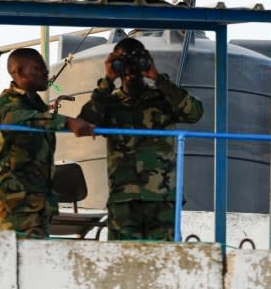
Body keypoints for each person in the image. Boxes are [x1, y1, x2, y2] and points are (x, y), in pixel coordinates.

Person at [78, 37, 204, 241]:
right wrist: (107, 81)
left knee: (163, 262)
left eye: (135, 62)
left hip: (162, 199)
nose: (130, 70)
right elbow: (84, 122)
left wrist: (157, 77)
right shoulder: (109, 104)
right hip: (124, 201)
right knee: (123, 263)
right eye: (123, 63)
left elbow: (194, 113)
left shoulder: (164, 99)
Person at [0, 47, 96, 237]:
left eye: (44, 67)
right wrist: (67, 121)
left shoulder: (36, 103)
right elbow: (21, 118)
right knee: (26, 257)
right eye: (37, 68)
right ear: (20, 72)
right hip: (16, 200)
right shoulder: (7, 102)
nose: (45, 72)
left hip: (38, 200)